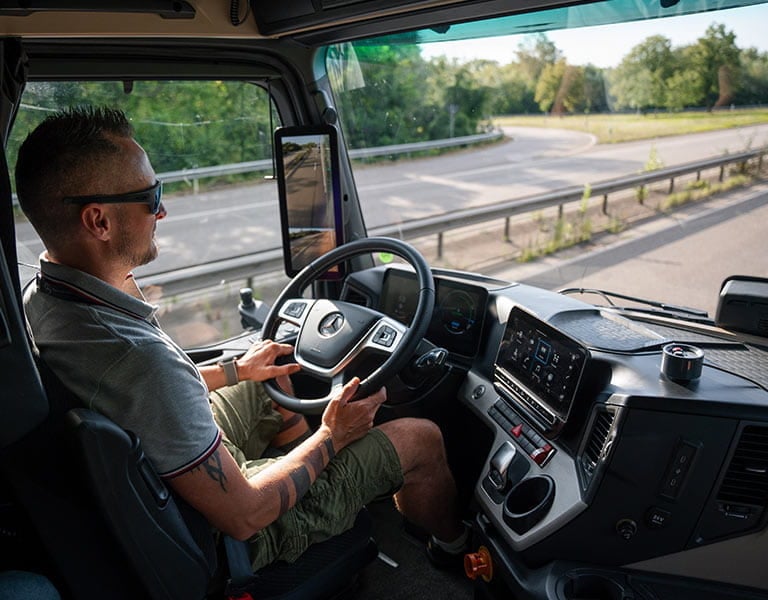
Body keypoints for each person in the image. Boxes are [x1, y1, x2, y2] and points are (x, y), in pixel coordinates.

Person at [17, 106, 468, 572]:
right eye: (152, 196)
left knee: (271, 368)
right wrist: (335, 437)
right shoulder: (140, 361)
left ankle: (305, 473)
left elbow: (147, 398)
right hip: (227, 532)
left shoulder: (45, 297)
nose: (163, 210)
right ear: (99, 222)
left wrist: (238, 370)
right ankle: (451, 549)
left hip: (171, 476)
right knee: (421, 437)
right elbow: (245, 515)